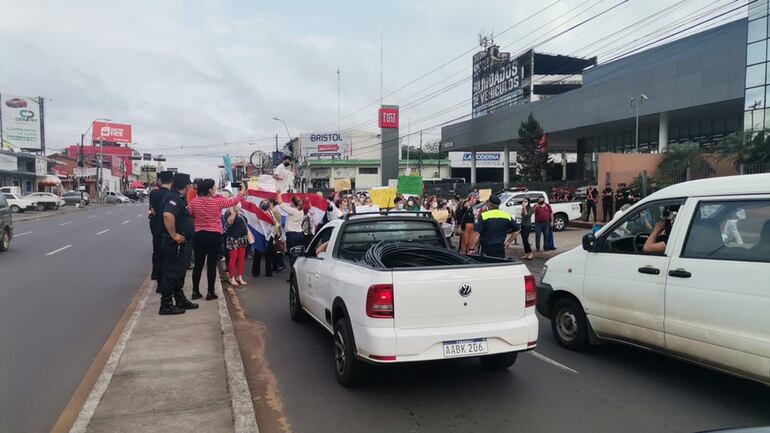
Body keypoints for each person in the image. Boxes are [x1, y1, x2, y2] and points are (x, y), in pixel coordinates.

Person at [188, 179, 243, 300]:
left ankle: (195, 292)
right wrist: (242, 191)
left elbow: (191, 214)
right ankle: (210, 292)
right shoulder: (218, 202)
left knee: (198, 264)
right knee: (212, 265)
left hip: (199, 235)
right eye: (214, 188)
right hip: (214, 236)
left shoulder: (193, 202)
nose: (215, 190)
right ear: (209, 190)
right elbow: (233, 201)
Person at [158, 173, 199, 315]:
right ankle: (166, 304)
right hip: (173, 244)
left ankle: (179, 299)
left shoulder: (177, 197)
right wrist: (174, 235)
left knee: (178, 273)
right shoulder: (173, 198)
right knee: (171, 273)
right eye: (189, 186)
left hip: (181, 244)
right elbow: (167, 215)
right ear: (187, 186)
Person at [148, 171, 174, 291]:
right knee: (167, 257)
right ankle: (164, 283)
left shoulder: (154, 193)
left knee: (157, 252)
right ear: (171, 182)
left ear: (160, 181)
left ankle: (156, 277)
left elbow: (152, 211)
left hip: (156, 227)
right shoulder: (172, 195)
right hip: (167, 228)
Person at [224, 205, 249, 286]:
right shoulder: (228, 212)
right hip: (233, 239)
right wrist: (234, 212)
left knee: (241, 258)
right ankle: (231, 277)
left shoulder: (241, 211)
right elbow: (229, 222)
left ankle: (240, 276)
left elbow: (245, 223)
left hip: (242, 238)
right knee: (233, 258)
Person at [277, 193, 304, 266]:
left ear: (292, 203)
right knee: (298, 255)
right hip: (300, 234)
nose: (289, 203)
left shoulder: (293, 211)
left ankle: (293, 274)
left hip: (292, 235)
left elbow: (281, 204)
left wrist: (278, 193)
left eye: (290, 202)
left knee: (292, 255)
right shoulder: (301, 211)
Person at [252, 200, 278, 278]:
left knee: (265, 254)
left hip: (268, 235)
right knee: (260, 254)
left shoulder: (270, 213)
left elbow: (274, 222)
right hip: (261, 235)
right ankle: (261, 272)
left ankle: (261, 272)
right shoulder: (260, 214)